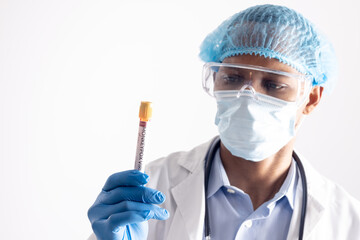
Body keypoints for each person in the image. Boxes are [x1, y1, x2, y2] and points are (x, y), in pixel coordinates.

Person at [87, 4, 360, 240]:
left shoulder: (348, 223)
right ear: (215, 80)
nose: (248, 97)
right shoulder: (152, 189)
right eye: (232, 78)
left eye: (274, 85)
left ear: (311, 98)